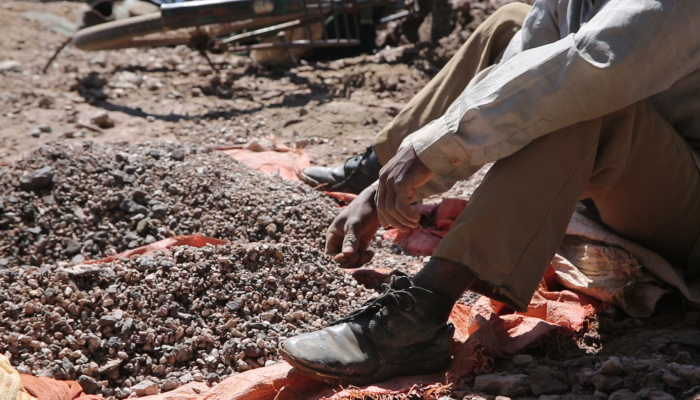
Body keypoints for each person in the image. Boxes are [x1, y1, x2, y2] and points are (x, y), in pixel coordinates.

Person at [281, 0, 700, 386]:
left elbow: (591, 66)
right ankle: (378, 168)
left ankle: (424, 312)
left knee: (578, 100)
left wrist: (431, 151)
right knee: (513, 28)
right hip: (636, 170)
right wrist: (391, 183)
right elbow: (517, 69)